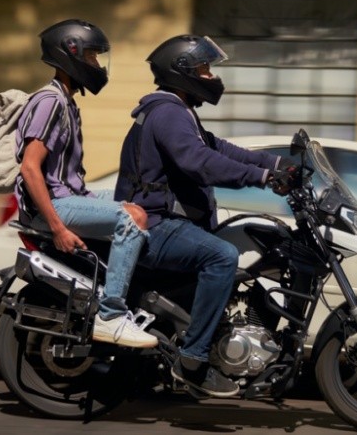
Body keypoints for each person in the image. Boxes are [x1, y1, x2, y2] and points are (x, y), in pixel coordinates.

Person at [114, 34, 295, 396]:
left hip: (166, 222)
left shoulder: (180, 112)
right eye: (204, 69)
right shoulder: (167, 112)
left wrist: (276, 163)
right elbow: (199, 163)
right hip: (154, 225)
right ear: (181, 73)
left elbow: (219, 148)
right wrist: (262, 178)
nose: (211, 76)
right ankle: (193, 360)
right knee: (222, 255)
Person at [14, 19, 157, 348]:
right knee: (130, 216)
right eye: (92, 57)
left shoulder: (66, 100)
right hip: (54, 206)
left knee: (138, 199)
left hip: (73, 195)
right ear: (71, 54)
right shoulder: (50, 102)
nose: (96, 65)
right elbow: (30, 169)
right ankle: (111, 314)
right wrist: (58, 227)